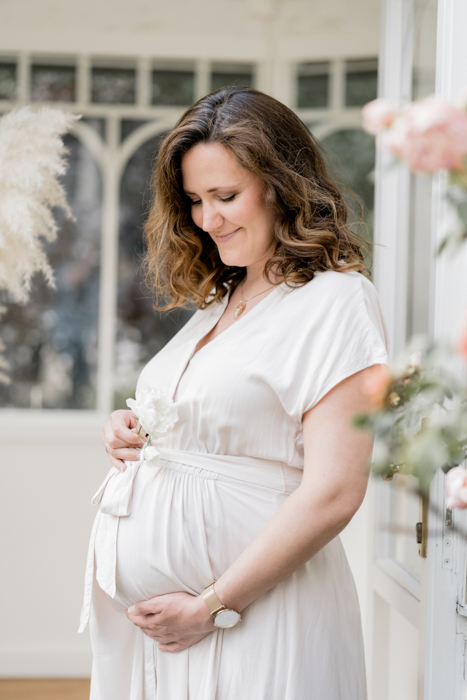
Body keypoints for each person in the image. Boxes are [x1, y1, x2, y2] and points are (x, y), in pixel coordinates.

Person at [79, 86, 389, 700]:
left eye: (225, 196)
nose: (207, 219)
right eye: (195, 200)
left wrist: (212, 606)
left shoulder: (335, 300)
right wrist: (134, 429)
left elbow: (334, 490)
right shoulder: (224, 298)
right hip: (170, 633)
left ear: (282, 187)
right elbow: (223, 420)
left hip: (257, 616)